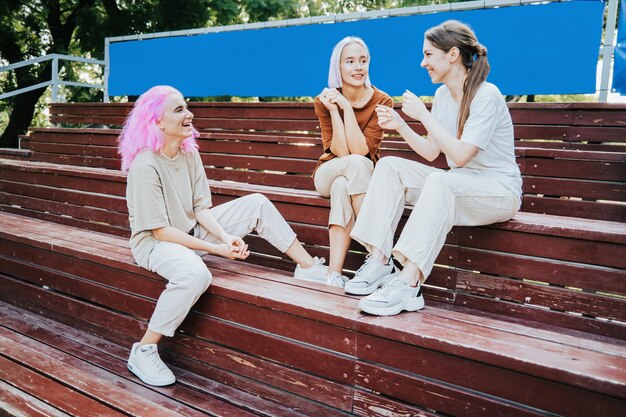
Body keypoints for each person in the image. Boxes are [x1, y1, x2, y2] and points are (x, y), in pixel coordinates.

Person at [118, 85, 327, 386]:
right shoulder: (145, 164)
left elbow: (201, 208)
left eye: (187, 106)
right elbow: (160, 229)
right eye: (179, 109)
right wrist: (215, 250)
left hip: (190, 230)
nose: (189, 114)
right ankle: (145, 349)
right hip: (155, 243)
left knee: (256, 203)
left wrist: (225, 236)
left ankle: (309, 268)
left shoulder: (188, 153)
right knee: (195, 275)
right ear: (158, 122)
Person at [346, 20, 522, 315]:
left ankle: (408, 284)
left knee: (442, 183)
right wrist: (402, 125)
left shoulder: (485, 95)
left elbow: (462, 155)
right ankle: (379, 262)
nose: (422, 62)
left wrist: (423, 117)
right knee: (389, 166)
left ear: (452, 55)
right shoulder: (442, 95)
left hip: (498, 191)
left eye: (429, 55)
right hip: (459, 184)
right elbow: (431, 152)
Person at [312, 36, 393, 288]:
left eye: (363, 60)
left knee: (342, 187)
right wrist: (335, 110)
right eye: (350, 61)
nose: (358, 67)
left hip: (359, 171)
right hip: (329, 170)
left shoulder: (383, 101)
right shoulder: (324, 101)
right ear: (338, 66)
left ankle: (334, 273)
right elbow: (340, 151)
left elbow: (360, 150)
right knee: (349, 169)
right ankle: (380, 254)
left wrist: (347, 108)